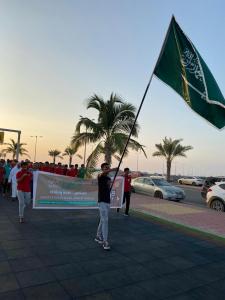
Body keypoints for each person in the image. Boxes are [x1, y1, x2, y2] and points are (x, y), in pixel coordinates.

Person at [95, 162, 117, 250]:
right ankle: (105, 241)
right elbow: (103, 173)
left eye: (108, 167)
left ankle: (97, 236)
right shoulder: (100, 176)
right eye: (106, 168)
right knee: (105, 220)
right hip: (102, 201)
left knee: (103, 219)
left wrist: (110, 184)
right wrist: (113, 169)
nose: (107, 169)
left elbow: (108, 187)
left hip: (108, 201)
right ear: (102, 169)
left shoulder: (108, 178)